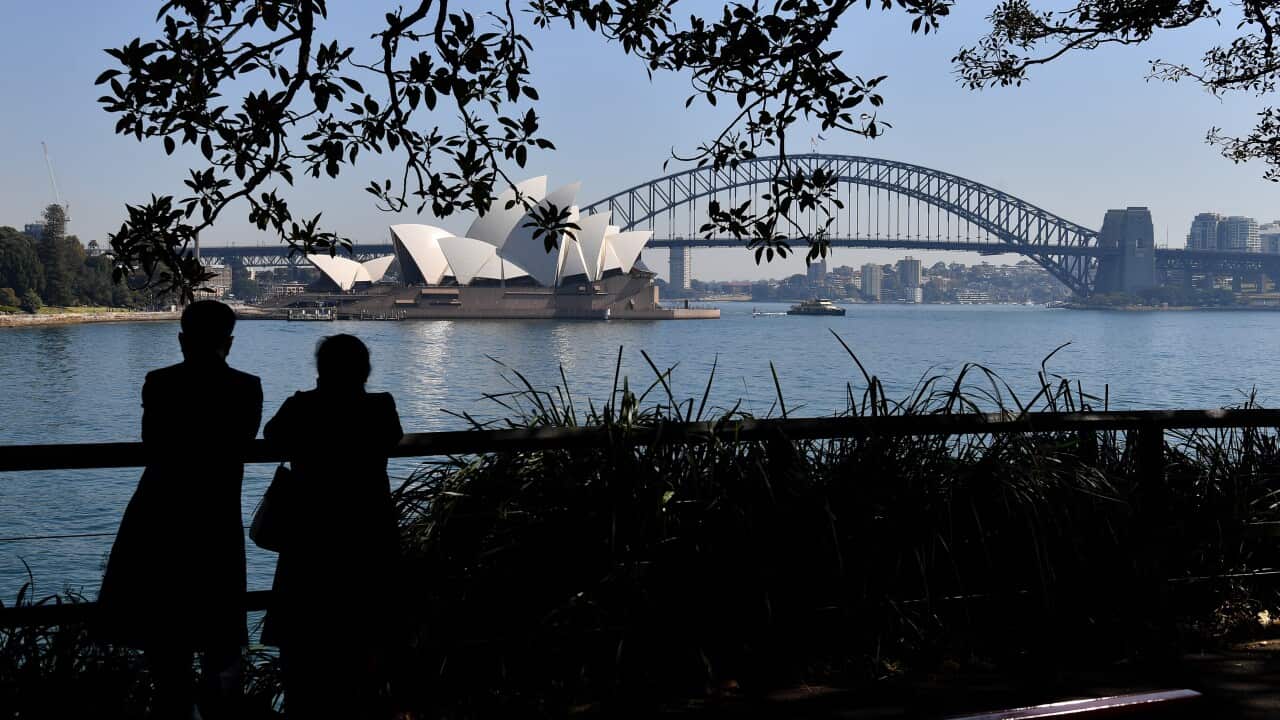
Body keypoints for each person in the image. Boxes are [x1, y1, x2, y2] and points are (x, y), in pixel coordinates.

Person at [98, 300, 263, 718]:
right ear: (228, 342)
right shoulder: (247, 387)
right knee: (218, 634)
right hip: (216, 519)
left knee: (165, 636)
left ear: (181, 340)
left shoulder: (159, 382)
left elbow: (152, 442)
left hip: (159, 515)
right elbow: (243, 441)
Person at [260, 334, 403, 719]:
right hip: (369, 534)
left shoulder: (302, 406)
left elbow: (272, 436)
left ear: (321, 369)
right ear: (365, 370)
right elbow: (392, 438)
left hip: (311, 537)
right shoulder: (380, 406)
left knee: (305, 644)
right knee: (367, 637)